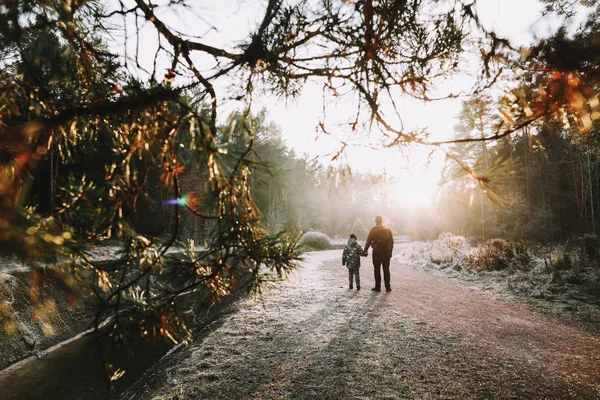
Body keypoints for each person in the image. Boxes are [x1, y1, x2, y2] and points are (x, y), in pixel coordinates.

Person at [364, 216, 394, 292]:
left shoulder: (373, 230)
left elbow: (368, 241)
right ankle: (388, 287)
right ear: (382, 221)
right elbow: (391, 242)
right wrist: (390, 253)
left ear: (375, 221)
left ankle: (378, 287)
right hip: (386, 252)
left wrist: (365, 250)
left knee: (377, 269)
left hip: (377, 253)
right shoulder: (387, 229)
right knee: (386, 269)